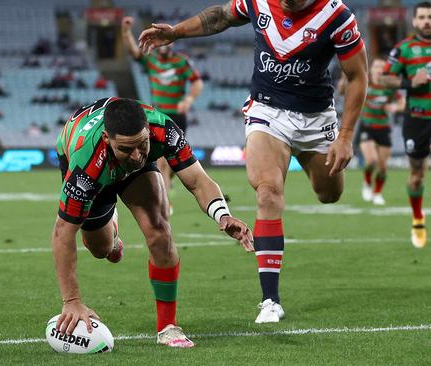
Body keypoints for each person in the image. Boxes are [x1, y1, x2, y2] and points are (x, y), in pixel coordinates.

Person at [139, 0, 368, 323]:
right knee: (268, 192)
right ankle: (270, 299)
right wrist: (176, 32)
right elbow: (220, 17)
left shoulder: (337, 16)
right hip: (266, 111)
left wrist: (345, 136)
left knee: (329, 193)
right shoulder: (259, 2)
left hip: (317, 119)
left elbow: (357, 75)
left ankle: (317, 162)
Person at [51, 97, 253, 348]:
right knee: (100, 249)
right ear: (107, 139)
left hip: (129, 171)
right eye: (126, 149)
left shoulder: (164, 131)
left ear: (147, 130)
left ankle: (168, 326)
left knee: (158, 230)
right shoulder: (86, 163)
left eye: (142, 144)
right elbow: (63, 233)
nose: (136, 155)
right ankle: (111, 231)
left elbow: (198, 181)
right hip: (90, 162)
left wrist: (223, 215)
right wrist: (71, 301)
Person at [122, 16, 204, 214]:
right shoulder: (151, 60)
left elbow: (197, 82)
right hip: (157, 117)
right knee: (161, 161)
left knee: (172, 162)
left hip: (177, 117)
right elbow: (134, 52)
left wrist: (189, 100)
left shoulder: (181, 62)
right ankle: (165, 204)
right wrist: (125, 33)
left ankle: (166, 185)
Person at [379, 1, 431, 248]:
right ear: (414, 21)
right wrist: (411, 83)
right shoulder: (405, 49)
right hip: (417, 120)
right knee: (417, 176)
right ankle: (418, 218)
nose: (426, 21)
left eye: (430, 17)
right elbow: (384, 78)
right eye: (422, 17)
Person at [339, 59, 405, 206]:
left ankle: (377, 193)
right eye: (376, 67)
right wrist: (344, 79)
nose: (379, 69)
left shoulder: (389, 87)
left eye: (382, 67)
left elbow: (402, 103)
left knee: (383, 167)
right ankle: (367, 183)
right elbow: (343, 92)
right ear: (372, 69)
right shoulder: (366, 83)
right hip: (367, 126)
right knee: (371, 161)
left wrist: (395, 107)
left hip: (383, 128)